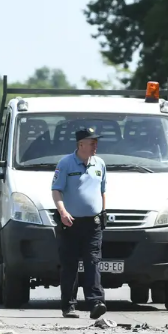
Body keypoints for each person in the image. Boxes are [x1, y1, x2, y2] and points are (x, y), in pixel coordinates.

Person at [51, 127, 108, 319]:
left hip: (93, 223)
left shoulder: (100, 163)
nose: (95, 146)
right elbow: (56, 190)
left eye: (96, 142)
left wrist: (103, 212)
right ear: (80, 144)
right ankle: (69, 305)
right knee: (70, 265)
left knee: (93, 261)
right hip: (70, 223)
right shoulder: (66, 163)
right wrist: (63, 212)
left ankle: (96, 302)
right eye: (92, 143)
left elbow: (102, 190)